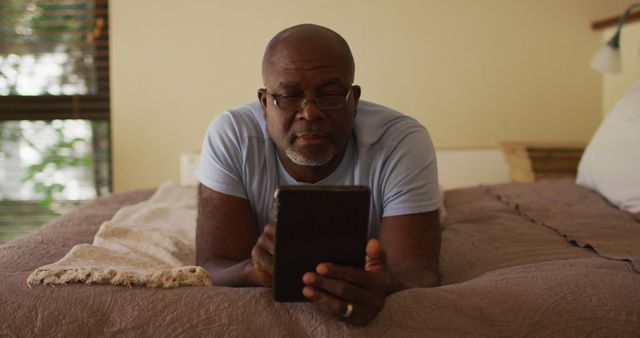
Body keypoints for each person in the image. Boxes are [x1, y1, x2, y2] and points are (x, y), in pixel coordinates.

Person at [195, 23, 441, 326]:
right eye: (289, 96)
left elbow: (418, 272)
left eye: (330, 95)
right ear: (263, 104)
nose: (310, 113)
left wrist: (387, 284)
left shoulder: (401, 142)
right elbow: (211, 265)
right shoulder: (232, 136)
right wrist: (252, 271)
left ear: (354, 100)